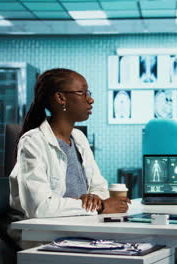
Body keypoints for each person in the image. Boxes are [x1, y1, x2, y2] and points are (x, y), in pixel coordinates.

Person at [9, 68, 130, 244]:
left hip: (81, 228)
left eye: (88, 93)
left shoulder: (78, 138)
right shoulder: (33, 142)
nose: (90, 99)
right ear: (61, 98)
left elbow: (100, 187)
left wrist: (94, 199)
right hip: (49, 237)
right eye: (82, 93)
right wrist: (99, 206)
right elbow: (40, 207)